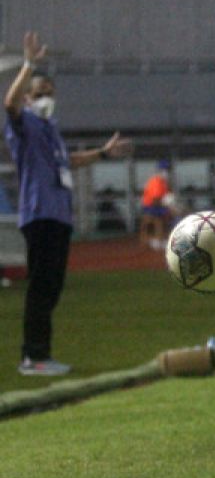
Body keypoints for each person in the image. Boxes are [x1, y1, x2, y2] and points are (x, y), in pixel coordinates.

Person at [4, 31, 132, 375]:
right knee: (41, 287)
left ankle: (42, 354)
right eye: (39, 93)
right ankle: (33, 357)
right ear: (30, 98)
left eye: (49, 93)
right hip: (40, 214)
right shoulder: (25, 124)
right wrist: (29, 65)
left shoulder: (51, 129)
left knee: (52, 287)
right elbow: (9, 105)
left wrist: (103, 153)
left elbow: (69, 162)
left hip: (59, 216)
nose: (46, 98)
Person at [139, 158, 175, 250]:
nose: (166, 172)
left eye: (167, 169)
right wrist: (167, 205)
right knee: (156, 220)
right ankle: (153, 241)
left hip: (156, 205)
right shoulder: (156, 181)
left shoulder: (164, 182)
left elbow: (167, 195)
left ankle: (159, 239)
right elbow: (156, 198)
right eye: (164, 169)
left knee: (165, 218)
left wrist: (169, 205)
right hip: (150, 205)